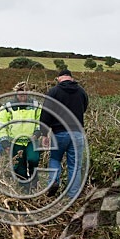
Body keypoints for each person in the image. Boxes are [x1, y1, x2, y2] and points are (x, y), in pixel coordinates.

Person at [40, 68, 88, 198]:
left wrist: (44, 133)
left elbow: (46, 113)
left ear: (59, 78)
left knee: (55, 158)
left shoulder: (54, 92)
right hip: (77, 133)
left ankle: (54, 181)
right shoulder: (81, 92)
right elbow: (84, 107)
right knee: (75, 165)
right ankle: (72, 195)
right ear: (71, 78)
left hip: (59, 133)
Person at [0, 82, 42, 191]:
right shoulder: (7, 107)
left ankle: (33, 182)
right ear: (16, 94)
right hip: (15, 143)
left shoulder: (35, 105)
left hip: (32, 141)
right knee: (19, 168)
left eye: (25, 94)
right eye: (20, 95)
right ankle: (24, 189)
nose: (23, 97)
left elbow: (40, 121)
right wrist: (5, 142)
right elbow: (1, 125)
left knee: (33, 160)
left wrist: (37, 133)